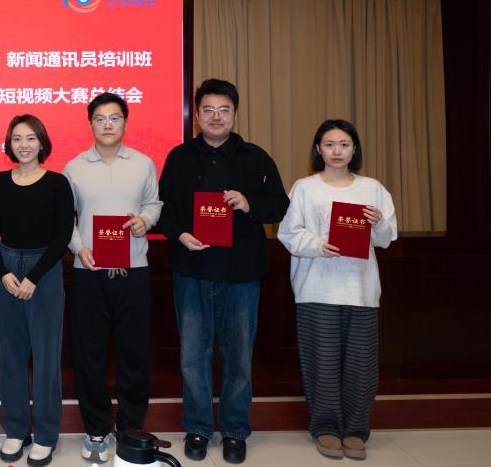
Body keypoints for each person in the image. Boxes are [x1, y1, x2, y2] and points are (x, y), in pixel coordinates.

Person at [156, 78, 289, 465]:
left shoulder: (255, 157)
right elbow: (163, 208)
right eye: (208, 110)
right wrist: (180, 234)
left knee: (239, 358)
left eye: (224, 110)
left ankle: (234, 430)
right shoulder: (180, 157)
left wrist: (249, 203)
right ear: (197, 115)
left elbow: (279, 206)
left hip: (241, 274)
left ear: (235, 114)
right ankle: (198, 427)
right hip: (192, 271)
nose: (216, 117)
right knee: (192, 357)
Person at [277, 119, 397, 460]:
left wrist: (378, 223)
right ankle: (326, 428)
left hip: (360, 289)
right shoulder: (304, 188)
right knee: (322, 362)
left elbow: (386, 238)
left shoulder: (372, 188)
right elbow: (288, 233)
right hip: (316, 288)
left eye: (344, 144)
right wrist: (319, 245)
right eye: (329, 144)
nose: (337, 151)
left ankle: (356, 430)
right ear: (318, 149)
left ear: (354, 149)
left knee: (361, 363)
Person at [62, 92, 162, 464]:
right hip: (89, 273)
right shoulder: (74, 167)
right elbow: (65, 219)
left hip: (133, 271)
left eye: (114, 117)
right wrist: (78, 248)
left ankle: (131, 427)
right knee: (89, 355)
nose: (107, 124)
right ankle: (96, 428)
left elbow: (154, 204)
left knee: (134, 354)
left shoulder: (143, 163)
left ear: (125, 122)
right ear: (90, 124)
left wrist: (145, 220)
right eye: (100, 118)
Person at [0, 115, 74, 467]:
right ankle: (16, 429)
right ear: (9, 144)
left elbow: (62, 235)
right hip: (5, 267)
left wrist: (33, 277)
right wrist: (3, 272)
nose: (24, 145)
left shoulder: (57, 183)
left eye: (31, 138)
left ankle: (46, 434)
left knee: (47, 356)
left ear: (42, 143)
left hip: (44, 270)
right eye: (17, 138)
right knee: (11, 354)